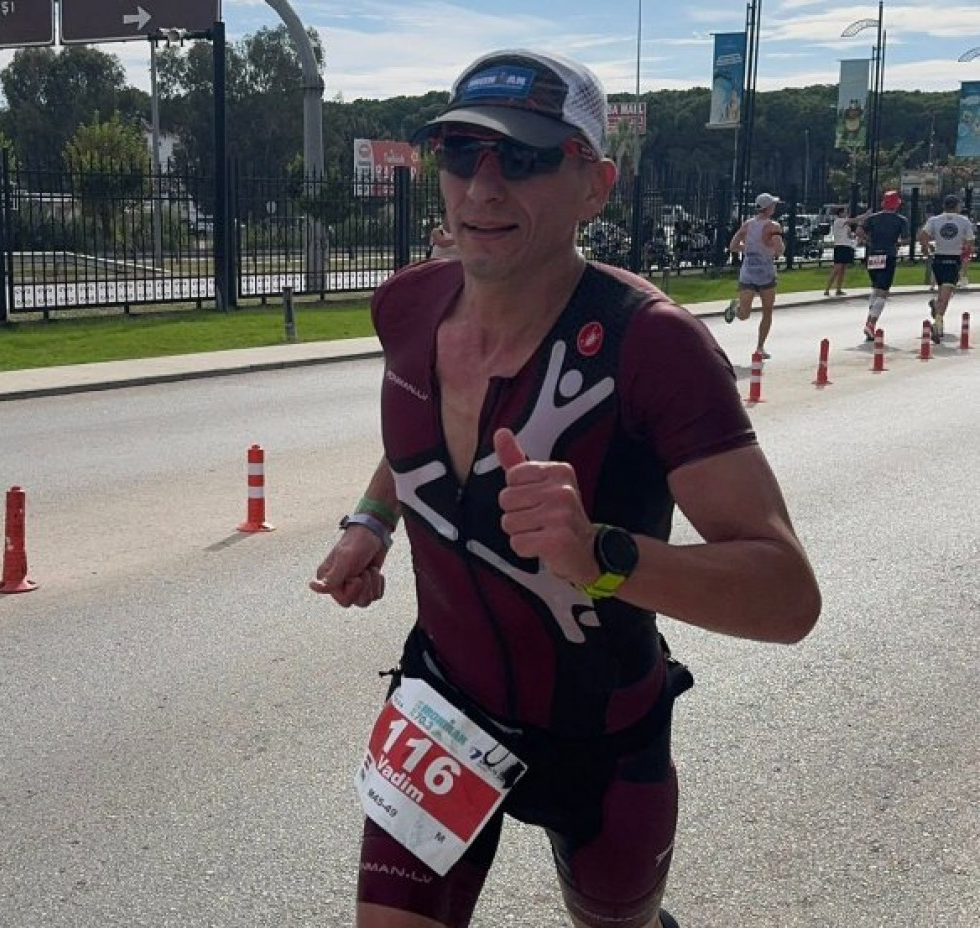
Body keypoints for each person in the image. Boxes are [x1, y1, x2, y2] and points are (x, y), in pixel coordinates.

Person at [310, 48, 820, 928]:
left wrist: (601, 556)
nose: (484, 186)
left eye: (527, 157)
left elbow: (787, 597)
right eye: (462, 153)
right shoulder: (407, 308)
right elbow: (419, 433)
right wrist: (373, 519)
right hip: (442, 712)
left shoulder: (653, 344)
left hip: (603, 738)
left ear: (596, 185)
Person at [724, 193, 785, 359]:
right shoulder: (773, 226)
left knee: (745, 314)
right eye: (773, 205)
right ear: (768, 208)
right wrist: (772, 250)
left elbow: (733, 246)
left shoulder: (748, 224)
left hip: (749, 271)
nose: (775, 207)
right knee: (766, 311)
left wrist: (748, 249)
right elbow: (780, 249)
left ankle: (759, 346)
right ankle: (760, 347)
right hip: (765, 273)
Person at [918, 194, 976, 344]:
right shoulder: (963, 221)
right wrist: (965, 250)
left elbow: (922, 236)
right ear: (957, 206)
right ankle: (937, 324)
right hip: (953, 259)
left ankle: (937, 311)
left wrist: (926, 247)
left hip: (938, 259)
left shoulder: (934, 220)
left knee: (943, 291)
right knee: (946, 294)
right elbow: (970, 242)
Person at [856, 190, 909, 341]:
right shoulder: (901, 220)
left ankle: (869, 319)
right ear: (896, 205)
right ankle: (871, 323)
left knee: (875, 287)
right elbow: (905, 239)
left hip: (873, 254)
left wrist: (868, 240)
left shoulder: (872, 218)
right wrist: (897, 243)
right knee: (883, 291)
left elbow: (859, 231)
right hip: (889, 255)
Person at [823, 206, 860, 297]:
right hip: (840, 247)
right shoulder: (839, 221)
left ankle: (838, 289)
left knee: (843, 270)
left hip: (846, 246)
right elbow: (853, 220)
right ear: (840, 213)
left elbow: (849, 235)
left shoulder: (846, 225)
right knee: (837, 268)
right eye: (844, 212)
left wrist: (855, 238)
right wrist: (865, 215)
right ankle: (827, 289)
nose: (846, 214)